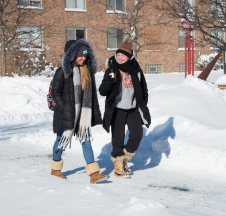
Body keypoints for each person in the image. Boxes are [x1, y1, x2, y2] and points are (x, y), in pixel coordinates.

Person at [50, 39, 107, 184]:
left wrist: (94, 112)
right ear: (71, 55)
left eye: (85, 55)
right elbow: (55, 92)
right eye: (80, 55)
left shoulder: (87, 71)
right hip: (66, 113)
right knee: (60, 140)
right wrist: (65, 108)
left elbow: (92, 96)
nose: (83, 58)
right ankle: (55, 169)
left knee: (86, 140)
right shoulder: (62, 71)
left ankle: (93, 174)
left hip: (82, 115)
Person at [99, 38, 151, 179]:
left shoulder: (136, 70)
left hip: (133, 108)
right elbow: (102, 91)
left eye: (124, 55)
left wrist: (142, 102)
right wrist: (110, 82)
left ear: (130, 56)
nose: (120, 57)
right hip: (117, 109)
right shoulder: (112, 70)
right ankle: (118, 167)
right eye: (119, 54)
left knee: (137, 135)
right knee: (118, 138)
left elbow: (143, 88)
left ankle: (125, 158)